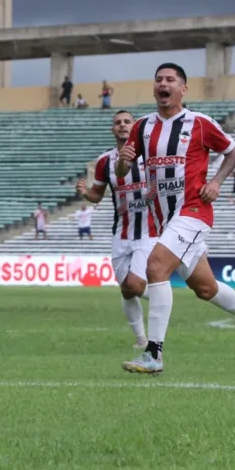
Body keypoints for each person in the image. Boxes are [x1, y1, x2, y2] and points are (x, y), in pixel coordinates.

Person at [116, 63, 235, 374]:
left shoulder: (199, 123)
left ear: (182, 89)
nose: (163, 83)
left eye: (170, 79)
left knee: (156, 265)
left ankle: (154, 354)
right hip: (164, 218)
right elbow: (122, 172)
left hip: (194, 211)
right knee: (206, 289)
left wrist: (215, 183)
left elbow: (232, 152)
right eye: (158, 79)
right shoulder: (142, 127)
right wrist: (122, 162)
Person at [75, 110, 152, 353]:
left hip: (149, 230)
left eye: (127, 122)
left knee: (135, 285)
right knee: (127, 289)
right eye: (117, 122)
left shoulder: (150, 155)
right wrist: (86, 192)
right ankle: (142, 339)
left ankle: (160, 295)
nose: (122, 125)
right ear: (112, 130)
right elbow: (97, 195)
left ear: (135, 127)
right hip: (121, 232)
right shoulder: (104, 161)